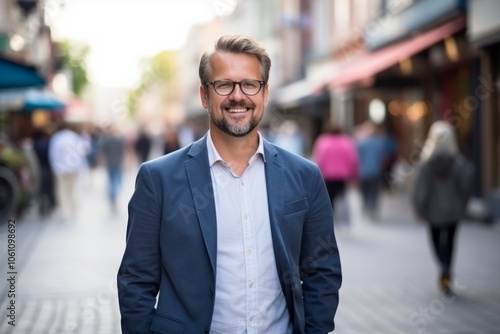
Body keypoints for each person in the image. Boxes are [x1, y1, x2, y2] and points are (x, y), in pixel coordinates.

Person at [117, 35, 342, 334]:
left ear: (264, 93)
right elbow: (136, 280)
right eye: (224, 85)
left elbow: (322, 271)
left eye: (250, 84)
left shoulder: (304, 175)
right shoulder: (157, 179)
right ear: (204, 95)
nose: (238, 96)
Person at [411, 120, 473, 296]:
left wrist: (419, 210)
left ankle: (443, 265)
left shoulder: (426, 164)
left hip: (433, 211)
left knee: (436, 241)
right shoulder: (459, 162)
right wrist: (463, 204)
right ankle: (447, 270)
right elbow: (466, 185)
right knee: (451, 242)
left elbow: (421, 190)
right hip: (454, 210)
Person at [312, 121, 359, 227]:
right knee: (342, 198)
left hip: (327, 175)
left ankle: (330, 219)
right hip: (342, 176)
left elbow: (318, 159)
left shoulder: (322, 141)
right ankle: (344, 222)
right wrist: (354, 175)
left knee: (329, 199)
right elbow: (353, 160)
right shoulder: (347, 141)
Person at [48, 121, 89, 220]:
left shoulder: (56, 138)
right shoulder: (74, 137)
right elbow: (81, 152)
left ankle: (65, 210)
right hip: (73, 169)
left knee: (62, 191)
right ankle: (72, 209)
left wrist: (55, 168)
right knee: (72, 189)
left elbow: (52, 154)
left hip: (60, 170)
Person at [355, 121, 389, 220]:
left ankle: (366, 208)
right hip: (375, 171)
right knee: (374, 192)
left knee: (365, 191)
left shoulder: (361, 143)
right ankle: (372, 209)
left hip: (363, 171)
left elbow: (357, 157)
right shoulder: (379, 143)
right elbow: (383, 157)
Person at [100, 124, 126, 213]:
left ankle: (112, 198)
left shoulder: (106, 140)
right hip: (117, 163)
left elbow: (103, 153)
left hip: (110, 164)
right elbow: (123, 151)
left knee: (112, 181)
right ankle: (113, 198)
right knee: (116, 181)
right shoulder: (118, 140)